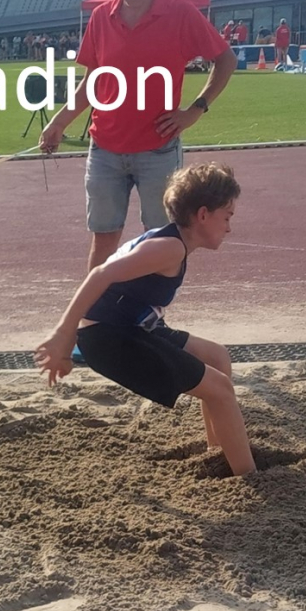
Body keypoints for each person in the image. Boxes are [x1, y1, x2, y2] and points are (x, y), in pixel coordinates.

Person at [34, 162, 255, 477]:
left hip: (132, 328)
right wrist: (64, 337)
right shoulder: (169, 249)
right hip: (111, 339)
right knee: (219, 388)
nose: (230, 228)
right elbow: (101, 274)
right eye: (227, 217)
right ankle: (249, 479)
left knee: (217, 357)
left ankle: (218, 452)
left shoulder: (172, 242)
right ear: (203, 214)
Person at [39, 0, 237, 270]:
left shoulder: (180, 13)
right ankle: (96, 314)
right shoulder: (102, 17)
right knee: (104, 237)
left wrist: (195, 110)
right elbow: (94, 80)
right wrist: (59, 122)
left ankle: (152, 316)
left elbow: (225, 59)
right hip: (105, 150)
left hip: (157, 150)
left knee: (163, 240)